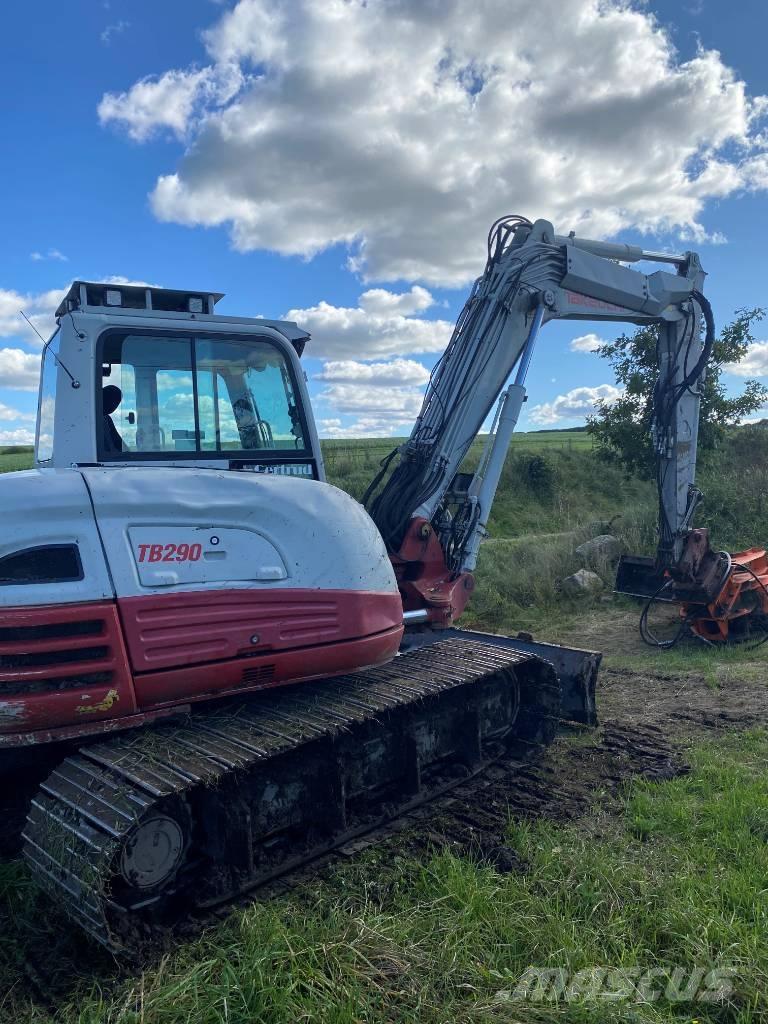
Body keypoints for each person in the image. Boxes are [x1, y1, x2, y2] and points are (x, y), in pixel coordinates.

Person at [103, 385, 124, 453]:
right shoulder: (93, 418)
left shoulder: (107, 418)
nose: (115, 406)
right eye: (113, 401)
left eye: (118, 402)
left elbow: (117, 441)